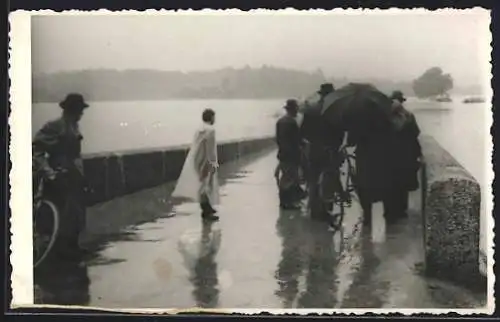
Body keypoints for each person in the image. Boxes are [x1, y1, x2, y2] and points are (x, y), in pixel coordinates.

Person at [32, 93, 91, 260]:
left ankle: (73, 247)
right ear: (72, 110)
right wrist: (49, 172)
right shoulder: (55, 126)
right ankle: (57, 251)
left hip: (73, 175)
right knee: (60, 212)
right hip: (58, 175)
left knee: (76, 212)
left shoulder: (73, 126)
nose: (81, 114)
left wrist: (81, 175)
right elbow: (38, 151)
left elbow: (75, 155)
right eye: (79, 110)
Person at [300, 83, 345, 223]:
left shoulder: (311, 110)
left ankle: (314, 210)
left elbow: (303, 132)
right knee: (329, 179)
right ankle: (326, 209)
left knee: (313, 180)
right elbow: (340, 134)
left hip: (313, 150)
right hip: (329, 150)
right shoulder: (335, 112)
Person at [172, 108, 220, 221]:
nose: (215, 119)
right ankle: (206, 211)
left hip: (197, 160)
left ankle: (207, 208)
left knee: (203, 185)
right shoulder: (211, 131)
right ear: (211, 118)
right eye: (214, 117)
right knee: (205, 186)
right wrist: (213, 163)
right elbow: (211, 150)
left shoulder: (199, 129)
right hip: (206, 161)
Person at [384, 90, 422, 220]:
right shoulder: (409, 116)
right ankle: (401, 210)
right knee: (403, 184)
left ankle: (389, 211)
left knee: (389, 183)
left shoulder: (384, 117)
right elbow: (415, 134)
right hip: (405, 154)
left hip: (388, 155)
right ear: (401, 101)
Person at [275, 99, 306, 209]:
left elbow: (278, 139)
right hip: (291, 155)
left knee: (285, 178)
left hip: (283, 154)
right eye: (296, 108)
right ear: (293, 109)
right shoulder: (292, 123)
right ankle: (288, 203)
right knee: (290, 179)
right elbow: (297, 140)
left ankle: (284, 202)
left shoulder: (280, 121)